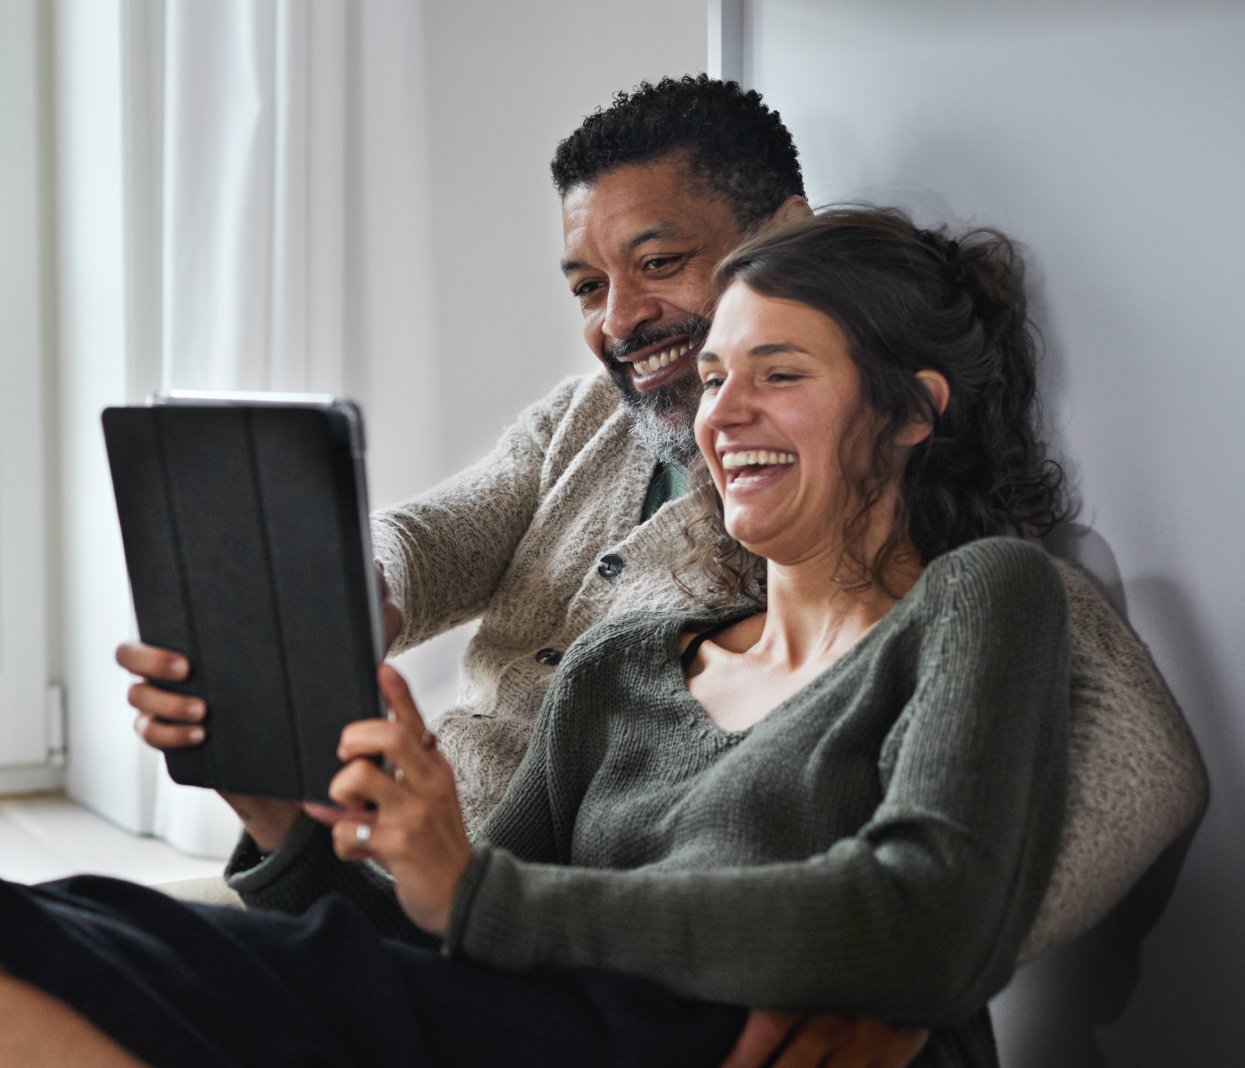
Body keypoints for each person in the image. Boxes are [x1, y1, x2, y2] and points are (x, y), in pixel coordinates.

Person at [115, 77, 1206, 1060]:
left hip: (581, 970)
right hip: (466, 929)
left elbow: (1096, 796)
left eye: (661, 261)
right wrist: (292, 785)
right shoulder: (620, 600)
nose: (622, 323)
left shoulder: (972, 595)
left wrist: (893, 984)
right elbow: (442, 532)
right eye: (588, 284)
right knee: (92, 935)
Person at [8, 205, 1073, 1066]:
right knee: (80, 929)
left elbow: (926, 916)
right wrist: (283, 824)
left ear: (911, 411)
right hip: (551, 1029)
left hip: (708, 1039)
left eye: (779, 374)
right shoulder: (621, 667)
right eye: (714, 378)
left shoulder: (982, 596)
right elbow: (439, 950)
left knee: (86, 956)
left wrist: (478, 895)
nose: (722, 413)